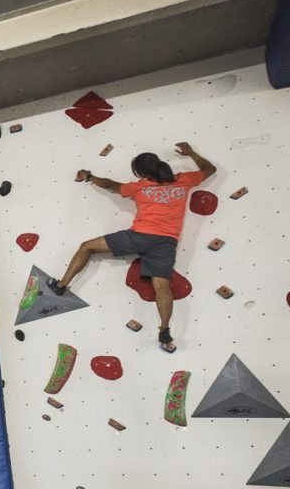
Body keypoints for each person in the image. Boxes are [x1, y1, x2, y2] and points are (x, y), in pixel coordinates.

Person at [47, 142, 216, 353]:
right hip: (166, 243)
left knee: (86, 247)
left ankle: (62, 285)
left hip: (139, 237)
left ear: (142, 173)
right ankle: (164, 330)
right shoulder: (184, 181)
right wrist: (191, 153)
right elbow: (210, 170)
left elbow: (110, 184)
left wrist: (89, 177)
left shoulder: (139, 187)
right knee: (162, 287)